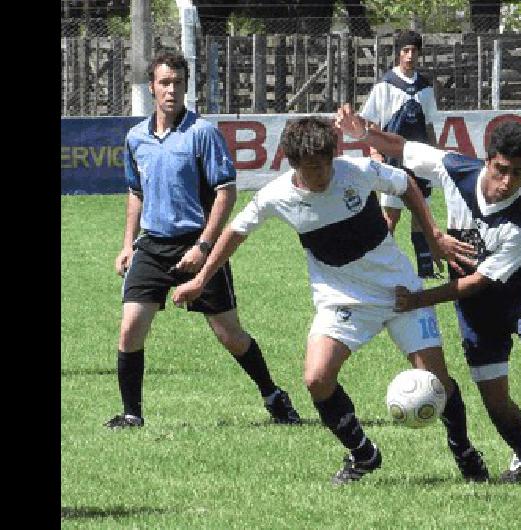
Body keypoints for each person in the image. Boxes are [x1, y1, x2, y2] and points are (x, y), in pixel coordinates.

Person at [172, 116, 488, 486]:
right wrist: (200, 279)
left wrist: (433, 236)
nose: (321, 175)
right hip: (341, 301)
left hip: (400, 293)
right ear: (293, 164)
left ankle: (464, 450)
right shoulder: (276, 196)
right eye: (311, 168)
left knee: (436, 379)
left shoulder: (356, 171)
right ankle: (362, 454)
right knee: (317, 379)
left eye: (325, 164)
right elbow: (235, 234)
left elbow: (407, 185)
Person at [336, 104, 521, 484]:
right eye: (501, 169)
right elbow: (404, 148)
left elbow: (479, 281)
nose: (507, 181)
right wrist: (363, 135)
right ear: (487, 160)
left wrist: (418, 299)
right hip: (475, 311)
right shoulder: (456, 169)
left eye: (519, 173)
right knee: (494, 397)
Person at [106, 51, 300, 429]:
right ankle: (132, 413)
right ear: (152, 87)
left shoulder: (202, 133)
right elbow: (136, 192)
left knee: (228, 333)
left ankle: (273, 395)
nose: (171, 90)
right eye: (164, 83)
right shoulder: (136, 138)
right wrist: (128, 243)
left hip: (196, 242)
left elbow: (225, 193)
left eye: (178, 83)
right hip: (152, 244)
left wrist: (204, 247)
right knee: (130, 327)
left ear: (186, 87)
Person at [359, 29, 440, 279]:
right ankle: (380, 267)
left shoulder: (425, 87)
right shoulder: (385, 86)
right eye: (405, 50)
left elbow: (429, 125)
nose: (409, 55)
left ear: (419, 54)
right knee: (390, 217)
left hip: (420, 160)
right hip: (393, 160)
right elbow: (369, 123)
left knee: (420, 214)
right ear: (398, 53)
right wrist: (375, 152)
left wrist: (435, 156)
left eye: (414, 51)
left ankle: (425, 269)